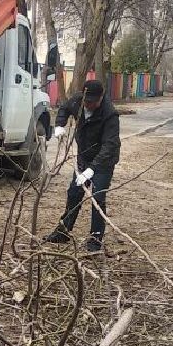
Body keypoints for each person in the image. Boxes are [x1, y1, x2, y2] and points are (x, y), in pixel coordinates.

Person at [44, 71, 120, 253]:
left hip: (103, 161)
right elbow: (64, 108)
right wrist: (60, 124)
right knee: (74, 193)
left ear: (101, 97)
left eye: (93, 102)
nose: (89, 104)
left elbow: (109, 145)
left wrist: (93, 169)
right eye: (87, 101)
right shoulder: (78, 100)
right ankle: (63, 232)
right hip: (83, 157)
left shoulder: (110, 114)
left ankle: (95, 239)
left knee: (97, 198)